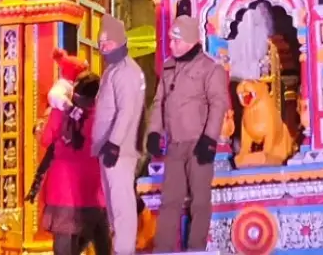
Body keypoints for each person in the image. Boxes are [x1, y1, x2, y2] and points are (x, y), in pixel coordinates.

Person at [147, 15, 230, 254]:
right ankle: (162, 250)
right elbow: (159, 101)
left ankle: (196, 249)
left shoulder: (210, 69)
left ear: (190, 41)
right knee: (170, 200)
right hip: (175, 145)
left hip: (198, 144)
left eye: (176, 40)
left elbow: (218, 103)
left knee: (200, 201)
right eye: (171, 40)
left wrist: (209, 139)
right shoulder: (168, 67)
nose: (171, 45)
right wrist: (154, 132)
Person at [33, 57, 109, 255]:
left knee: (64, 245)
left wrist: (40, 129)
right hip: (91, 189)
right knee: (100, 240)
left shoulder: (60, 111)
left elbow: (46, 139)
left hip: (62, 189)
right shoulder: (102, 116)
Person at [91, 17, 145, 255]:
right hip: (109, 149)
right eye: (101, 43)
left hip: (119, 151)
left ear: (121, 41)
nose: (104, 47)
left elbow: (127, 110)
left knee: (122, 205)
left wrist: (114, 144)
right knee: (114, 206)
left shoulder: (125, 71)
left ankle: (124, 251)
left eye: (109, 42)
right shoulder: (113, 70)